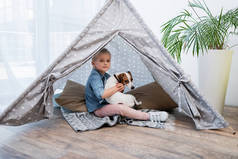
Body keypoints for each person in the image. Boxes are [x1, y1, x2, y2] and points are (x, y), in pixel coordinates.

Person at [85, 48, 168, 122]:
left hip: (108, 103)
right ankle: (148, 116)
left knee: (124, 102)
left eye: (108, 60)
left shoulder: (106, 76)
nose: (105, 63)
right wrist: (116, 88)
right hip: (98, 108)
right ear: (93, 63)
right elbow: (101, 95)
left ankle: (132, 113)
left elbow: (114, 93)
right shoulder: (94, 77)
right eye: (101, 60)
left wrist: (120, 89)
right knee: (120, 108)